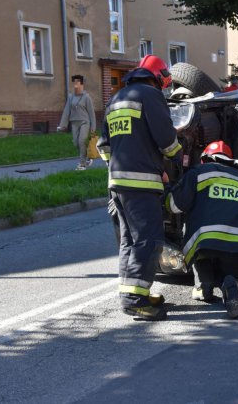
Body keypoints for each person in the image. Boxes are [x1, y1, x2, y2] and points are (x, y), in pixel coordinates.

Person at [96, 55, 182, 321]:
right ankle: (135, 301)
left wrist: (120, 171)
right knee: (149, 240)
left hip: (117, 184)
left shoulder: (116, 99)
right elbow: (167, 140)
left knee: (129, 242)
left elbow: (103, 146)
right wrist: (179, 163)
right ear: (158, 78)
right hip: (141, 184)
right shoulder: (151, 96)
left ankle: (132, 294)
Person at [165, 141, 238, 319]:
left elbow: (174, 206)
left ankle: (204, 286)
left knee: (201, 248)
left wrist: (166, 188)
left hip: (204, 244)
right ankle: (234, 284)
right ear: (230, 160)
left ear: (205, 158)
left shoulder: (197, 173)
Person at [57, 75, 96, 170]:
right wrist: (63, 125)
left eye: (77, 82)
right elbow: (67, 111)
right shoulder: (71, 97)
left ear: (81, 84)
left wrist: (93, 128)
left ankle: (82, 164)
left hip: (84, 122)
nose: (75, 83)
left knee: (81, 141)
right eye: (74, 82)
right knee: (76, 143)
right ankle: (87, 157)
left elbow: (91, 113)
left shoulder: (86, 97)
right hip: (74, 122)